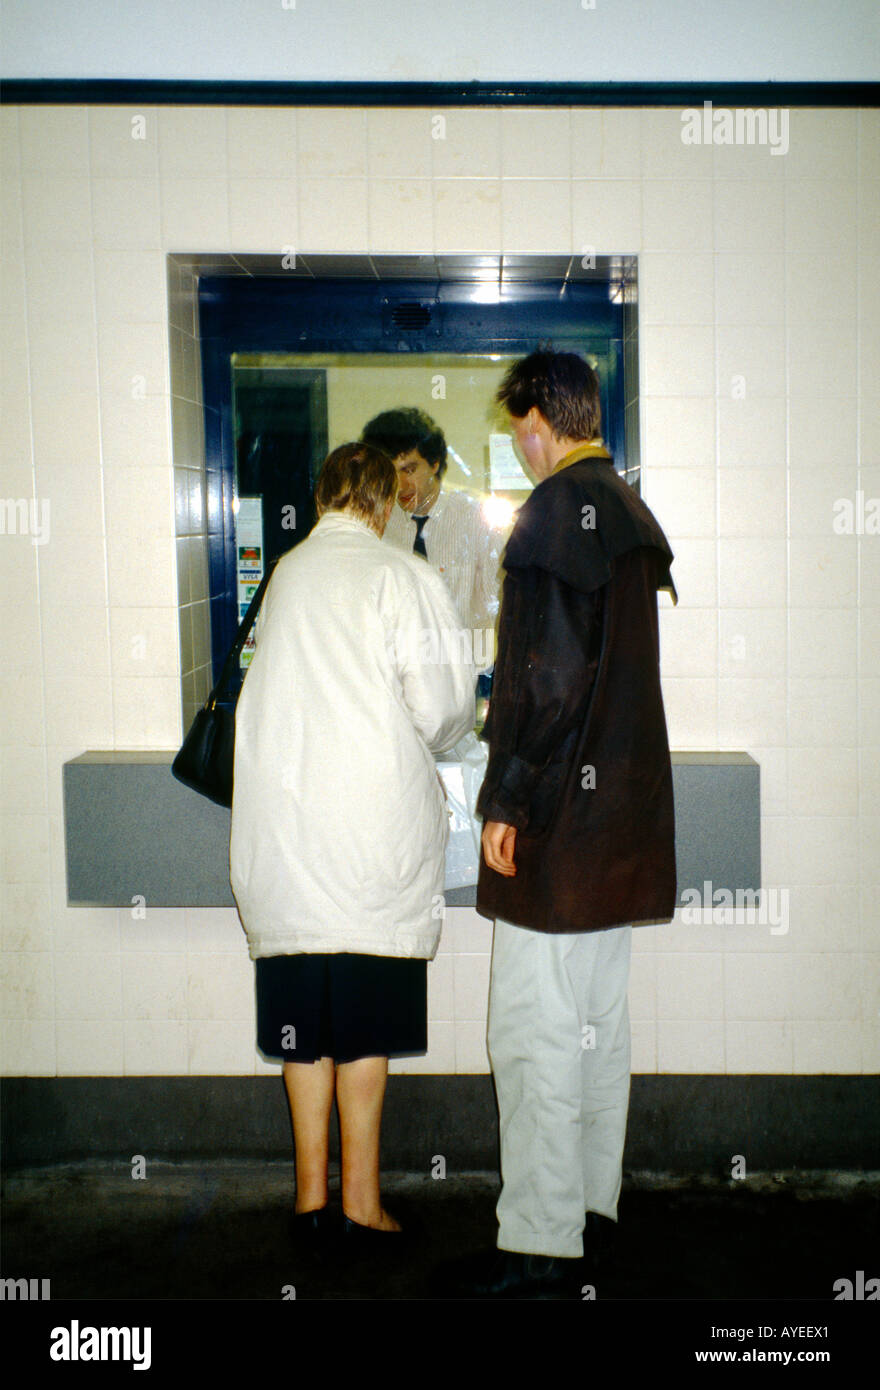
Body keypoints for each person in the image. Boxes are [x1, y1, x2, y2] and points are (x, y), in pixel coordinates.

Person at [445, 349, 677, 1298]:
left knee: (535, 1032)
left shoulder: (551, 514)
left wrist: (507, 804)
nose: (519, 446)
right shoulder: (626, 510)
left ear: (545, 414)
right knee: (596, 1028)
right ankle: (587, 1209)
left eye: (518, 428)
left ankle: (539, 1246)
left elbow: (544, 679)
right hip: (617, 831)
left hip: (556, 836)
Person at [229, 442, 475, 1242]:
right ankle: (362, 1203)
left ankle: (309, 1200)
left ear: (323, 495)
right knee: (365, 1033)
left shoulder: (285, 577)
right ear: (380, 504)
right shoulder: (401, 577)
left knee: (304, 1034)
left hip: (287, 844)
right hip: (370, 845)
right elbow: (444, 713)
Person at [361, 407, 503, 674]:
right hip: (397, 679)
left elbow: (496, 607)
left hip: (465, 678)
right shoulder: (376, 526)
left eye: (409, 469)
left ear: (435, 464)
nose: (400, 485)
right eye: (390, 472)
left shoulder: (476, 520)